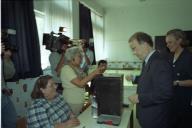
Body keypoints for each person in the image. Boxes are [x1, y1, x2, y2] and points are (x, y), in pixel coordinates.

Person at [128, 32, 173, 128]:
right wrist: (135, 78)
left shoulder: (159, 62)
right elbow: (148, 78)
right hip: (147, 115)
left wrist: (139, 98)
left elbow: (165, 93)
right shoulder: (148, 60)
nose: (133, 53)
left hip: (155, 119)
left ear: (145, 44)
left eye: (134, 48)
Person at [60, 46, 105, 115]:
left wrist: (97, 73)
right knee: (77, 121)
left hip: (84, 97)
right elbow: (80, 84)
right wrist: (94, 72)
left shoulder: (78, 67)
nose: (81, 58)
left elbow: (85, 81)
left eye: (81, 56)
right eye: (79, 56)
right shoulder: (66, 69)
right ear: (72, 57)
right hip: (73, 101)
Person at [165, 29, 192, 128]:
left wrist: (177, 82)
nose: (167, 45)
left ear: (179, 40)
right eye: (166, 43)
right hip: (171, 104)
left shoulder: (188, 57)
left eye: (170, 42)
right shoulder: (169, 57)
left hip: (184, 105)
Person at [1, 43, 17, 128]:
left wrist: (5, 59)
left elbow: (9, 74)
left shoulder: (2, 59)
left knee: (12, 121)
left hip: (3, 95)